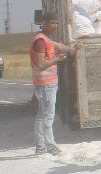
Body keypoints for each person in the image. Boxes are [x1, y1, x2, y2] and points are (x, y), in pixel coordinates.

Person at [30, 13, 79, 155]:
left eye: (57, 23)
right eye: (52, 23)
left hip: (45, 84)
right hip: (45, 85)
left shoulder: (45, 39)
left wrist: (72, 49)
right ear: (43, 23)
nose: (55, 26)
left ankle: (40, 147)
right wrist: (57, 59)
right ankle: (51, 147)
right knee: (47, 117)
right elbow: (40, 65)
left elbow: (58, 46)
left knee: (41, 117)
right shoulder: (40, 41)